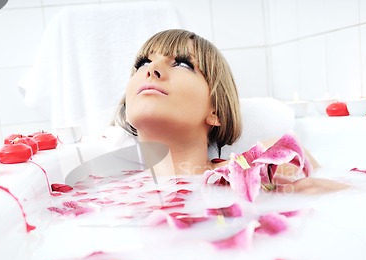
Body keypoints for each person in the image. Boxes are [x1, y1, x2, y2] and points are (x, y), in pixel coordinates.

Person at [113, 29, 347, 194]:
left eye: (183, 64)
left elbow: (353, 197)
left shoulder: (268, 163)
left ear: (215, 110)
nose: (151, 69)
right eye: (142, 63)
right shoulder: (109, 192)